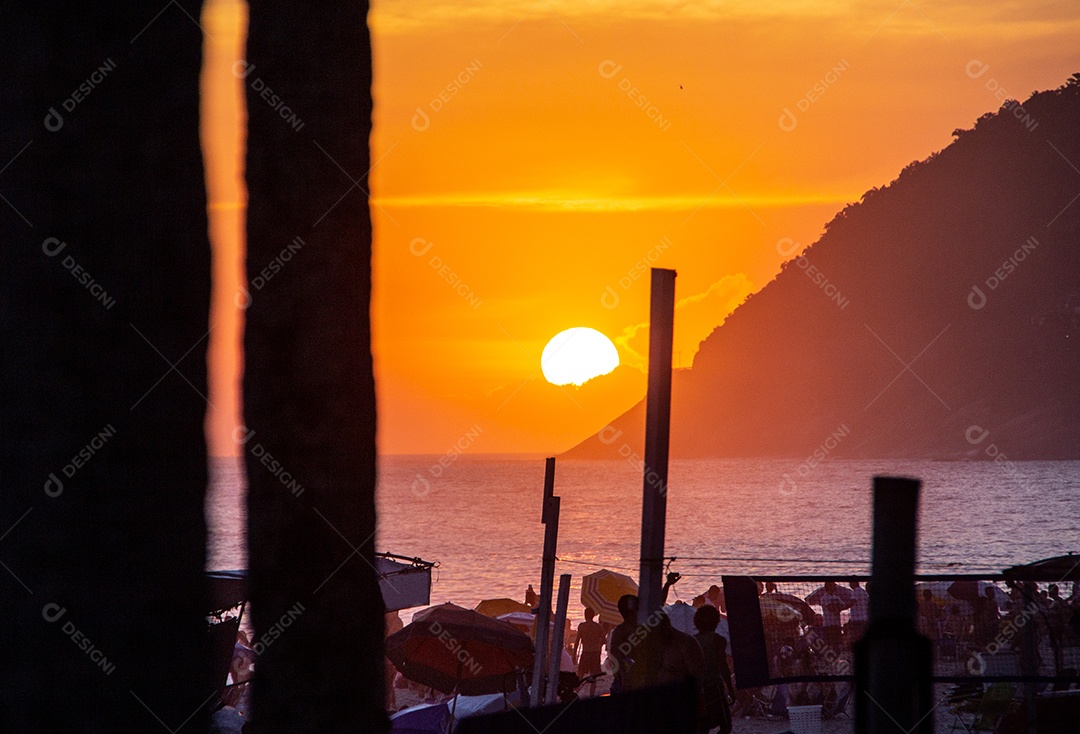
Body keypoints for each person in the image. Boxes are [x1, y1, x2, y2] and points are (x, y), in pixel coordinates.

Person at [694, 605, 734, 734]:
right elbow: (723, 666)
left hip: (697, 689)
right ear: (716, 621)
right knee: (726, 724)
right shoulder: (718, 640)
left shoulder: (693, 640)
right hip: (714, 687)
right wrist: (730, 689)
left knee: (703, 726)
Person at [805, 581, 852, 652]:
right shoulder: (824, 598)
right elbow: (831, 608)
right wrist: (838, 609)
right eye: (833, 586)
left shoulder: (837, 597)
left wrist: (847, 605)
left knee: (837, 642)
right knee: (829, 643)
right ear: (829, 587)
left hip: (837, 624)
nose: (835, 587)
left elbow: (843, 606)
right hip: (828, 624)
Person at [608, 594, 639, 694]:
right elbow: (615, 655)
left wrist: (667, 585)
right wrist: (624, 677)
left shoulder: (640, 626)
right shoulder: (621, 631)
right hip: (626, 680)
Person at [573, 607, 606, 696]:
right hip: (595, 653)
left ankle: (576, 693)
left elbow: (577, 642)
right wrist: (598, 647)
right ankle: (591, 695)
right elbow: (604, 640)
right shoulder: (598, 626)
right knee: (593, 676)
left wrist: (574, 655)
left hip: (586, 652)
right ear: (593, 615)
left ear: (585, 615)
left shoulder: (582, 626)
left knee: (580, 675)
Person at [845, 581, 870, 646]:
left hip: (857, 620)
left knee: (856, 637)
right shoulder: (864, 592)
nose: (849, 584)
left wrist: (842, 608)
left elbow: (852, 602)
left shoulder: (856, 591)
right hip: (864, 619)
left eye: (850, 582)